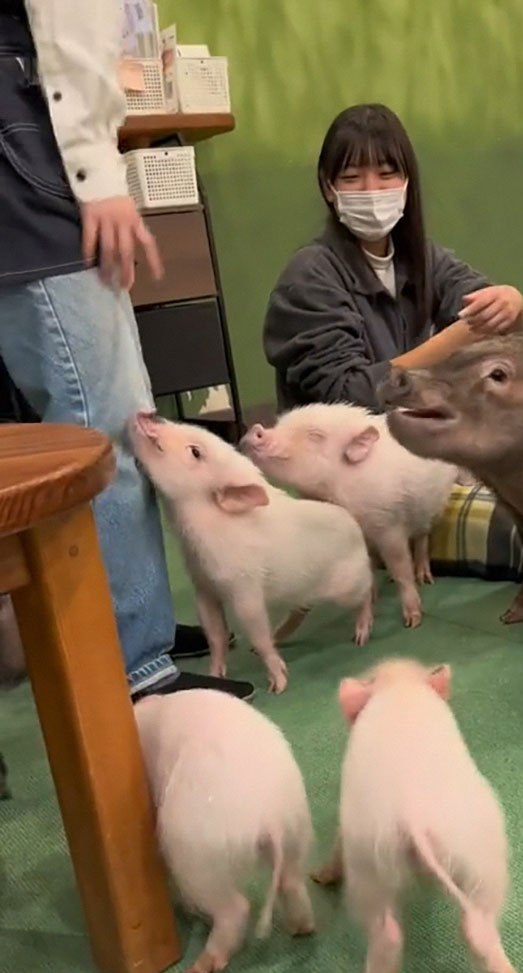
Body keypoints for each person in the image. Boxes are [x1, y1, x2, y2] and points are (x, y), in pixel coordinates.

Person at [0, 0, 254, 702]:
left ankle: (130, 637)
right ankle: (137, 671)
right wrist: (94, 170)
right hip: (26, 148)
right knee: (108, 429)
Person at [263, 103, 523, 411]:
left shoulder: (422, 258)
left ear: (407, 181)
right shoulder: (309, 277)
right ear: (329, 187)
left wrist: (514, 306)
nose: (371, 190)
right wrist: (458, 340)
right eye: (352, 177)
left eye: (386, 174)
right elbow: (349, 396)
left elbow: (496, 316)